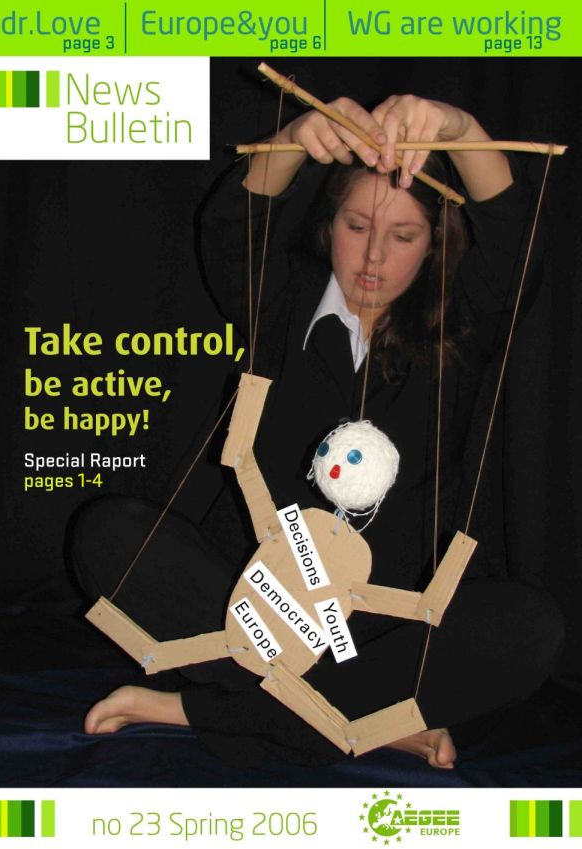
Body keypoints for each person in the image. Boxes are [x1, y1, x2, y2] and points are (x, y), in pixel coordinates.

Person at [75, 93, 563, 770]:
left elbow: (515, 236)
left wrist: (461, 128)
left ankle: (195, 709)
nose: (372, 257)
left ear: (435, 244)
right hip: (252, 605)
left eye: (403, 236)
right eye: (357, 226)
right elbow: (232, 228)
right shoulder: (283, 304)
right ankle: (361, 719)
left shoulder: (461, 327)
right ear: (329, 222)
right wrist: (297, 137)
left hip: (382, 625)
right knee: (108, 533)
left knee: (532, 629)